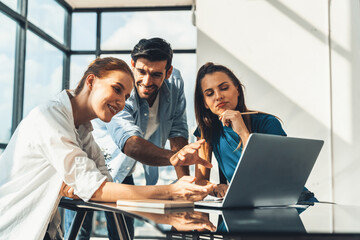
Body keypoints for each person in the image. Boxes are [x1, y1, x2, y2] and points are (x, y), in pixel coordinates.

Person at [0, 57, 214, 240]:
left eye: (126, 97)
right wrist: (171, 192)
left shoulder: (83, 133)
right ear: (91, 81)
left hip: (44, 229)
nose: (121, 102)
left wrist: (169, 213)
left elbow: (107, 189)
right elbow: (96, 189)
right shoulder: (49, 118)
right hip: (14, 229)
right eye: (117, 89)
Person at [65, 38, 202, 239]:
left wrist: (186, 192)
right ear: (132, 66)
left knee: (124, 234)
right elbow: (131, 145)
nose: (147, 81)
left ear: (168, 72)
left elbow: (178, 133)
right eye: (142, 72)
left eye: (156, 75)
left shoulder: (175, 85)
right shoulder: (121, 93)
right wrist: (175, 158)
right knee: (78, 233)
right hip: (90, 164)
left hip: (124, 169)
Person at [193, 62, 316, 201]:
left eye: (224, 88)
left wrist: (244, 134)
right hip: (247, 206)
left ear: (238, 90)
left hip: (291, 202)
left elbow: (271, 176)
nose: (218, 96)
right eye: (209, 94)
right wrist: (214, 187)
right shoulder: (206, 131)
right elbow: (200, 182)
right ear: (205, 103)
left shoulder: (268, 123)